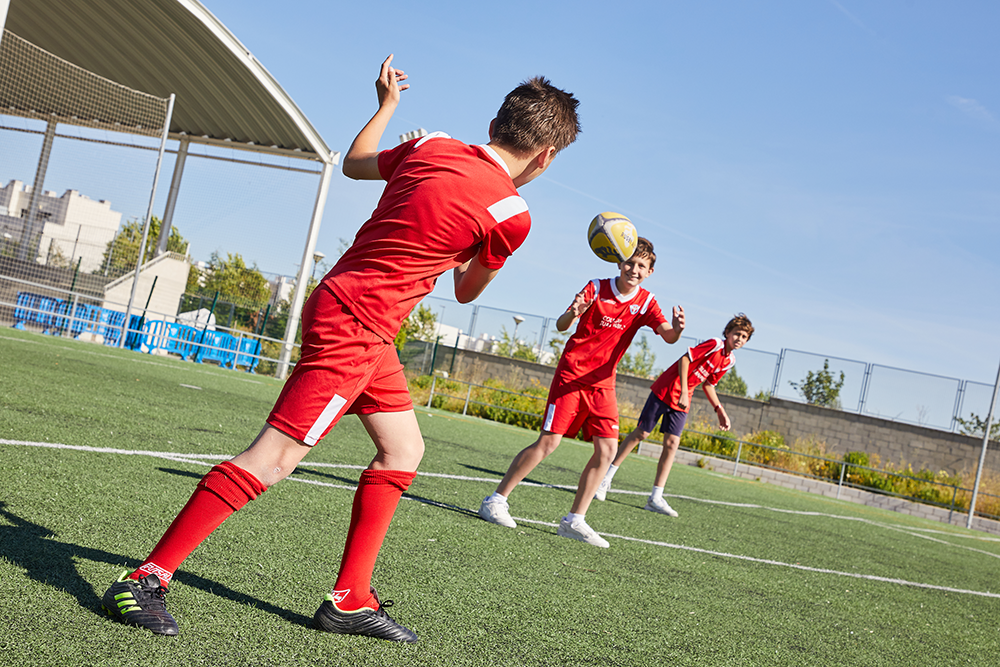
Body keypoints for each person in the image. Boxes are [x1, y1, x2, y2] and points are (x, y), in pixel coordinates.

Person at [100, 55, 580, 643]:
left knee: (403, 449)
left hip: (354, 312)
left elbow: (353, 165)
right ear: (546, 156)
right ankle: (145, 579)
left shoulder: (431, 145)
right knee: (273, 459)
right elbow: (465, 288)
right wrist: (468, 248)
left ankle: (350, 599)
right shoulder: (512, 213)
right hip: (359, 323)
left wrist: (385, 108)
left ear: (497, 121)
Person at [478, 239, 684, 547]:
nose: (634, 269)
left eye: (642, 266)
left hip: (603, 384)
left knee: (607, 451)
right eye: (629, 262)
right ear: (618, 262)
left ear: (650, 272)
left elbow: (668, 337)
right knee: (549, 442)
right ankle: (495, 500)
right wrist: (574, 312)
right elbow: (562, 325)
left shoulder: (646, 301)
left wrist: (679, 328)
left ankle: (575, 520)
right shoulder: (596, 287)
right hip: (571, 376)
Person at [595, 314, 755, 516]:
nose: (739, 339)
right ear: (727, 333)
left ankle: (655, 497)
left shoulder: (729, 360)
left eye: (744, 337)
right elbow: (685, 360)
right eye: (736, 334)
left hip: (683, 399)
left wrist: (719, 410)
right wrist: (683, 391)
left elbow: (709, 384)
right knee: (642, 433)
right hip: (666, 390)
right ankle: (604, 479)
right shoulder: (715, 344)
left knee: (672, 445)